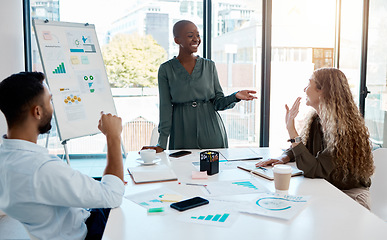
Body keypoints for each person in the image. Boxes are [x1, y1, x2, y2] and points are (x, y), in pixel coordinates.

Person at [0, 72, 125, 240]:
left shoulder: (5, 157)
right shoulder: (42, 168)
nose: (52, 107)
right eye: (50, 101)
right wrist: (113, 136)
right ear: (37, 111)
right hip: (86, 232)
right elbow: (113, 195)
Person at [256, 67, 374, 209]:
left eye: (309, 83)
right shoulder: (316, 120)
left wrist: (291, 129)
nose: (304, 88)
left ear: (322, 90)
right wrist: (284, 158)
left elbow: (313, 168)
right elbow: (303, 149)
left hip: (350, 197)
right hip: (326, 189)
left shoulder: (344, 130)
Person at [143, 20, 257, 152]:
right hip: (182, 134)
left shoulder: (209, 66)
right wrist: (161, 144)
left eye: (198, 35)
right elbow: (165, 108)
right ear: (177, 40)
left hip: (211, 132)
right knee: (182, 171)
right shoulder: (166, 69)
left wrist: (235, 96)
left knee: (214, 172)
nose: (196, 39)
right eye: (190, 35)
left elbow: (218, 103)